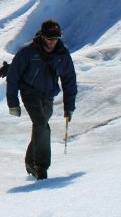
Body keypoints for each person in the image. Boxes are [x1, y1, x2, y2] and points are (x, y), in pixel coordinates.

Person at [6, 20, 77, 180]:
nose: (53, 42)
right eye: (50, 38)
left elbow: (69, 79)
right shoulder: (28, 52)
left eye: (56, 38)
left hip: (48, 95)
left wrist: (69, 106)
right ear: (42, 36)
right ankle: (40, 167)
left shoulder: (62, 54)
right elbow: (13, 77)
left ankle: (30, 161)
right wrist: (13, 103)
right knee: (41, 125)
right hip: (29, 93)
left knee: (41, 128)